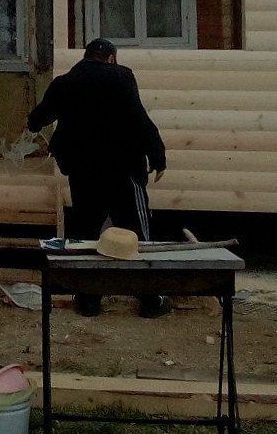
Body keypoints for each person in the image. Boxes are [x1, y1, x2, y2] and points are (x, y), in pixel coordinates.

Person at [26, 37, 170, 318]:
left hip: (84, 173)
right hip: (124, 171)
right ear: (111, 58)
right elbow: (138, 117)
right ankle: (151, 300)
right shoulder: (122, 77)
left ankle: (88, 300)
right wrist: (157, 156)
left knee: (85, 236)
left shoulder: (64, 82)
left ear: (86, 56)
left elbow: (41, 116)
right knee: (139, 236)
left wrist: (31, 123)